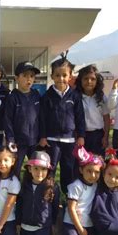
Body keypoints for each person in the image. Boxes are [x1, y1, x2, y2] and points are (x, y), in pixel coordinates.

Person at [40, 52, 86, 192]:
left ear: (70, 76)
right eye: (58, 75)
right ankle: (48, 196)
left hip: (70, 140)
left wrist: (81, 136)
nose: (61, 78)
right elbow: (41, 118)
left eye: (64, 75)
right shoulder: (47, 96)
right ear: (52, 76)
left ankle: (67, 198)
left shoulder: (75, 96)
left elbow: (80, 117)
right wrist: (42, 136)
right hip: (51, 140)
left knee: (68, 169)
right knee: (51, 168)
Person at [4, 61, 41, 176]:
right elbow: (7, 120)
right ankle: (14, 192)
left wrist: (42, 136)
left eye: (31, 76)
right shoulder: (12, 97)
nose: (28, 79)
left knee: (35, 169)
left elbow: (41, 117)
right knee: (15, 169)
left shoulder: (36, 95)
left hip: (34, 141)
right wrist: (10, 139)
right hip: (18, 143)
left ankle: (30, 192)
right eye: (24, 76)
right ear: (16, 78)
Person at [76, 65, 110, 156]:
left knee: (97, 162)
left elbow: (106, 118)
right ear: (80, 80)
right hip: (80, 135)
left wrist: (105, 137)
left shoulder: (101, 97)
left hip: (97, 136)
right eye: (85, 78)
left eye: (93, 79)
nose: (89, 81)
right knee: (80, 164)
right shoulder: (75, 97)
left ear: (97, 81)